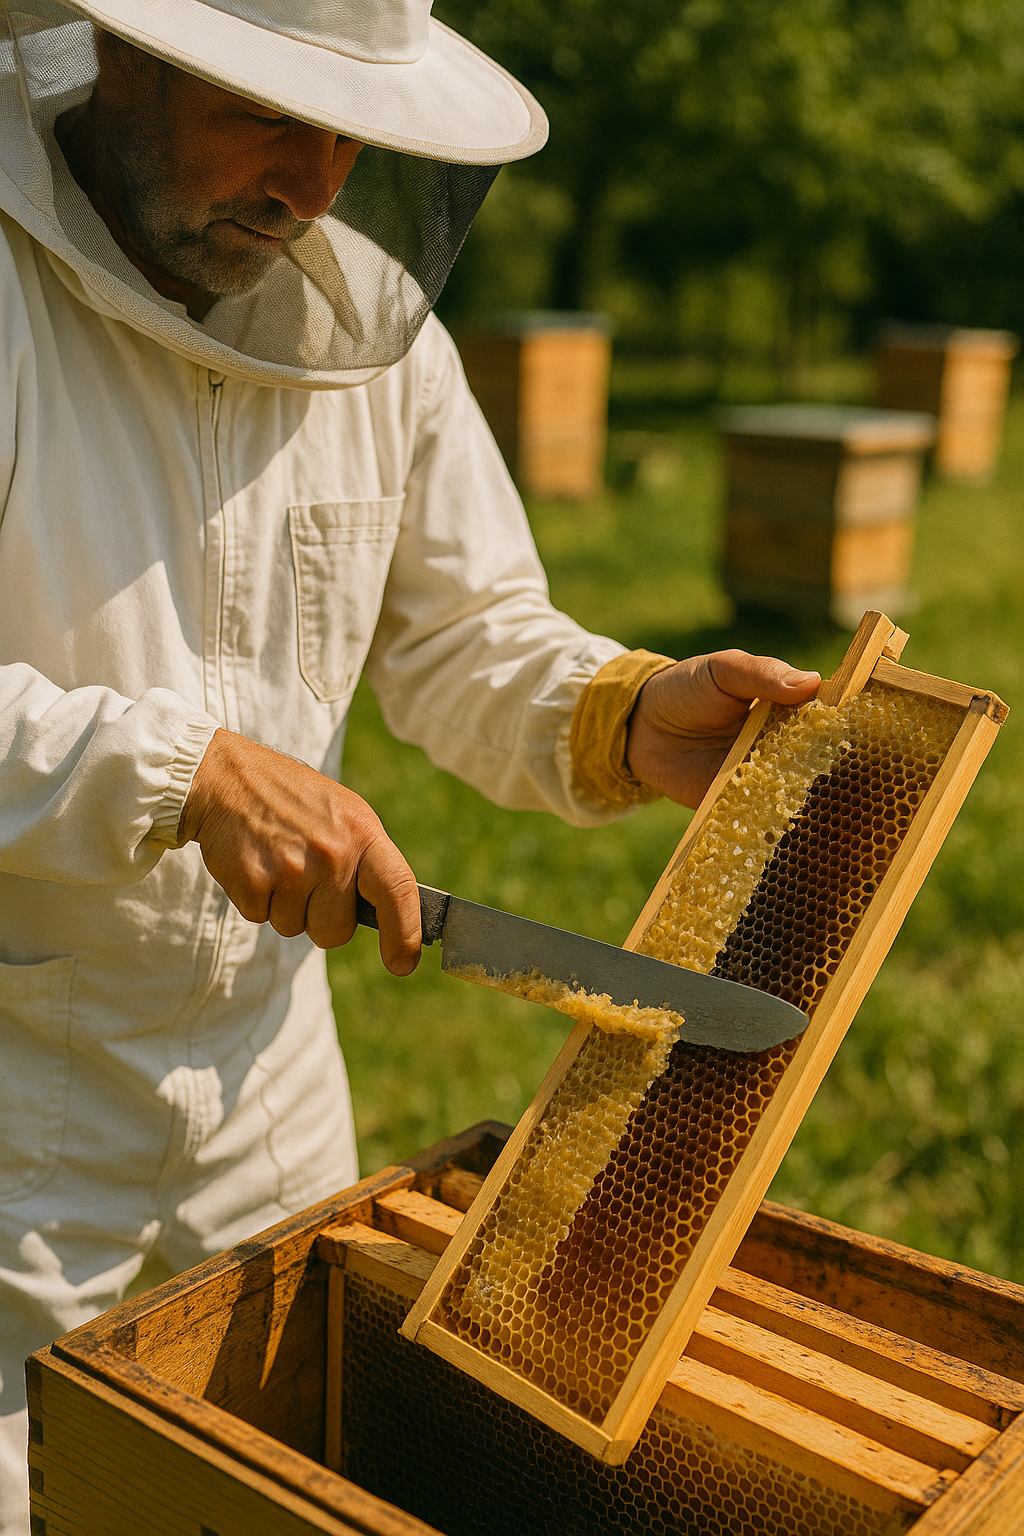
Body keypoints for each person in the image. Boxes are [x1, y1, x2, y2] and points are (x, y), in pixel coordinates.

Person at [0, 1, 820, 1528]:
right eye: (268, 116)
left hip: (270, 1075)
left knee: (305, 1481)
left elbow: (467, 630)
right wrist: (178, 768)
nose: (313, 181)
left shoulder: (367, 322)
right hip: (7, 1102)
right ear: (124, 51)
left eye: (348, 132)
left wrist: (626, 711)